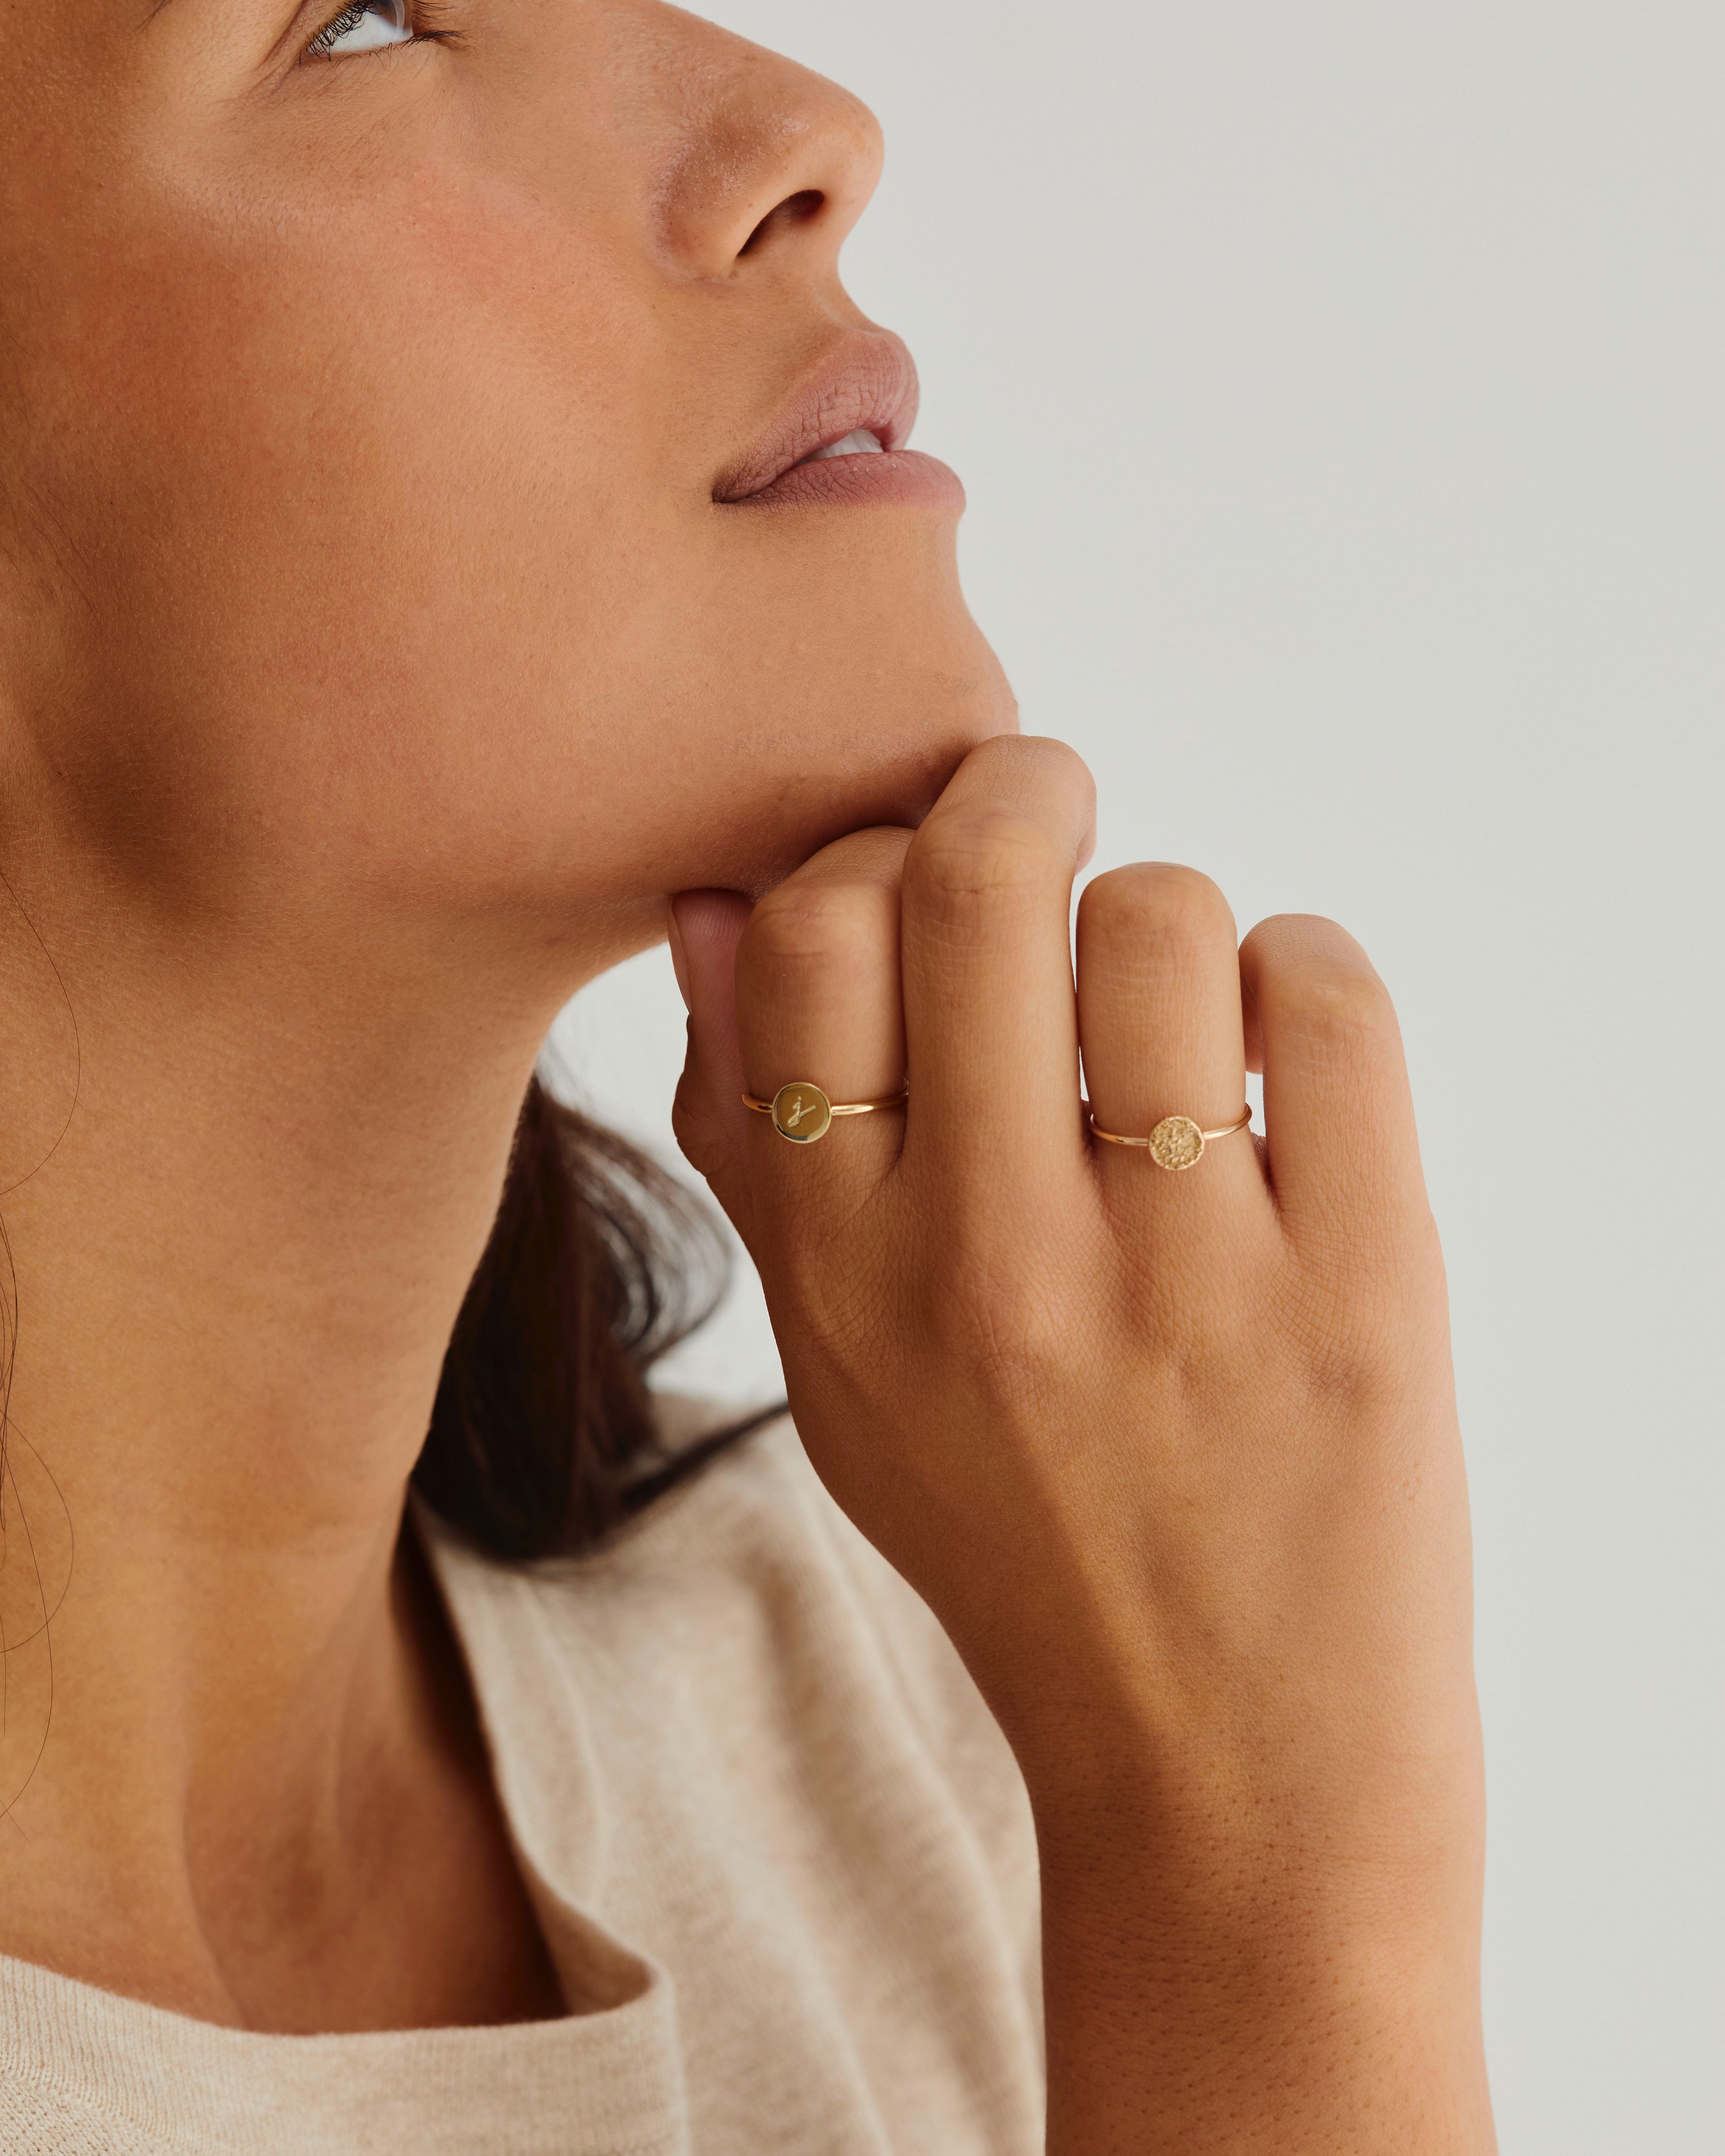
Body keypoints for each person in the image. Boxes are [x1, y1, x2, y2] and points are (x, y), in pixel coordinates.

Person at [0, 0, 1496, 2147]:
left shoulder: (885, 1680)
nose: (810, 134)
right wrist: (1271, 1893)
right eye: (359, 18)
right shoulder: (1118, 1750)